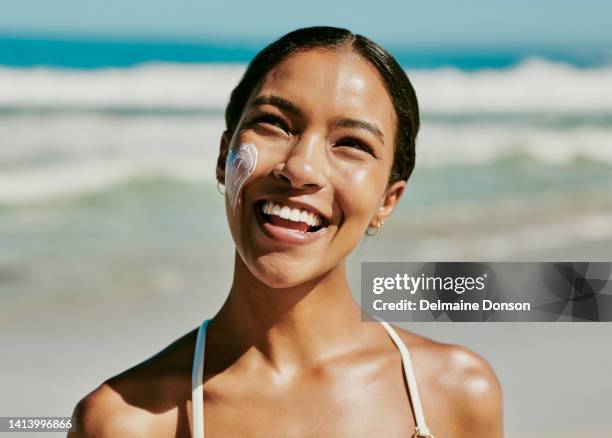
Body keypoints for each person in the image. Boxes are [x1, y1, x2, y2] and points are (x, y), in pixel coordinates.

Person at [69, 26, 503, 437]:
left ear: (387, 201)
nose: (300, 168)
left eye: (351, 143)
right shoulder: (127, 421)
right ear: (225, 157)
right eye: (275, 123)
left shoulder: (454, 393)